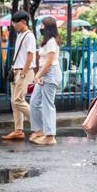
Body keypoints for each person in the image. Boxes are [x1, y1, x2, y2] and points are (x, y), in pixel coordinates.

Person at [2, 11, 36, 140]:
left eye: (16, 22)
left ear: (24, 22)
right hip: (16, 70)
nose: (14, 25)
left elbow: (30, 55)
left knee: (18, 100)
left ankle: (39, 125)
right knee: (14, 102)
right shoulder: (20, 35)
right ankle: (18, 130)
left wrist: (23, 72)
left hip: (24, 71)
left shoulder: (29, 36)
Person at [29, 17, 62, 145]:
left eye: (42, 25)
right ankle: (39, 131)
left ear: (47, 27)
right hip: (44, 74)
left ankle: (50, 136)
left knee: (48, 105)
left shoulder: (52, 42)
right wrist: (40, 75)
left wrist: (38, 75)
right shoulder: (47, 41)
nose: (40, 27)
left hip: (51, 74)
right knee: (34, 102)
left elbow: (49, 62)